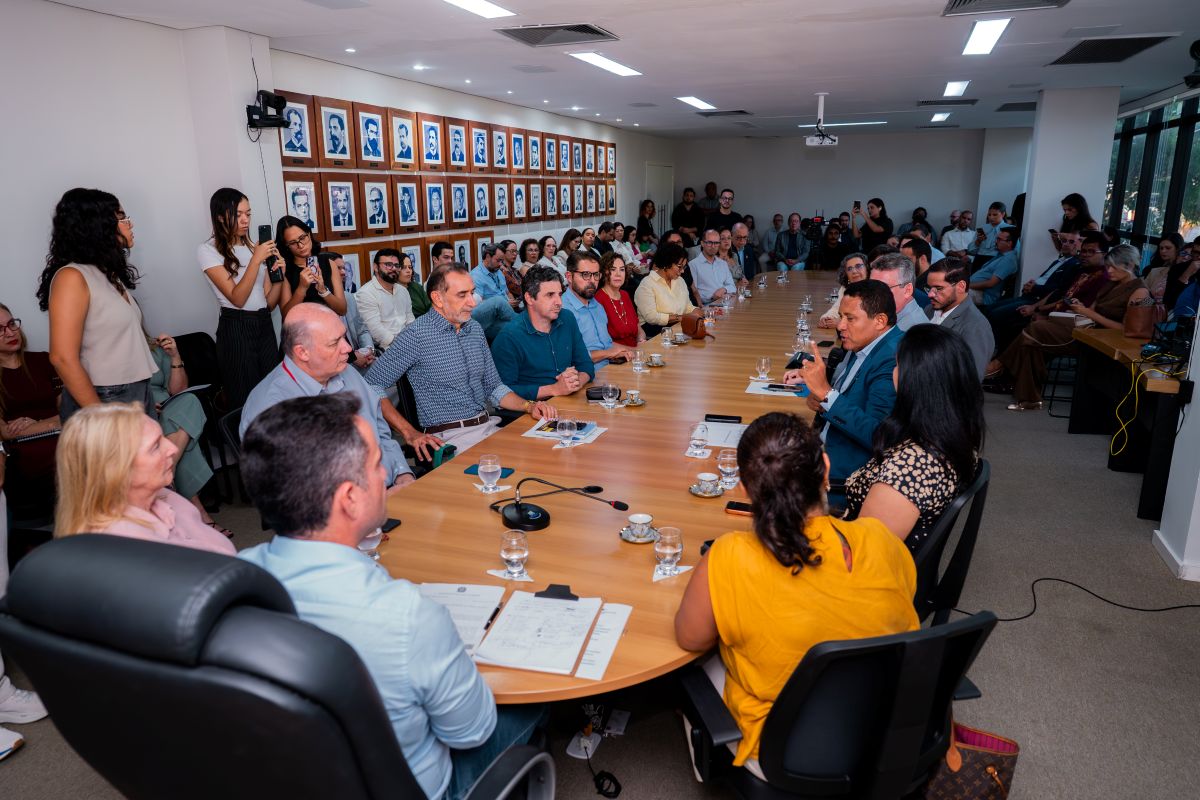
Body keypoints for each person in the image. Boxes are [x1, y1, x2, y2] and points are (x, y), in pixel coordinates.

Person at [238, 394, 546, 800]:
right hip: (417, 788)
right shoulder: (408, 616)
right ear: (349, 498)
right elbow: (470, 732)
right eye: (376, 464)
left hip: (291, 777)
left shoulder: (235, 578)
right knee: (536, 694)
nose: (387, 473)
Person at [673, 412, 919, 775]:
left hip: (782, 751)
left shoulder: (728, 556)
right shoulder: (881, 539)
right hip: (881, 730)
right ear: (826, 467)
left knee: (696, 664)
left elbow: (689, 638)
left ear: (744, 488)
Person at [365, 263, 557, 453]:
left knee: (549, 449)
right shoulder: (417, 335)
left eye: (472, 293)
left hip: (489, 427)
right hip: (451, 439)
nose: (472, 302)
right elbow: (371, 384)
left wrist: (529, 406)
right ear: (438, 298)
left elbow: (494, 387)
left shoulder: (474, 328)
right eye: (462, 295)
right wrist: (408, 432)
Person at [241, 304, 414, 489]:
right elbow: (293, 489)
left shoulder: (347, 372)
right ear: (302, 352)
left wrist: (402, 472)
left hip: (387, 487)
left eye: (344, 337)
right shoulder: (271, 407)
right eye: (334, 343)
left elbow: (380, 433)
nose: (348, 348)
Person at [843, 325, 984, 551]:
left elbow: (865, 553)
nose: (893, 372)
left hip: (856, 559)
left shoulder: (908, 470)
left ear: (915, 380)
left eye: (898, 365)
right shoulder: (952, 434)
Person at [35, 188, 157, 422]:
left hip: (136, 390)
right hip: (103, 396)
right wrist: (101, 415)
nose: (129, 224)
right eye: (121, 217)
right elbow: (62, 357)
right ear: (97, 225)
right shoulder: (71, 277)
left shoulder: (107, 274)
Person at [53, 402, 235, 554]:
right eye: (155, 446)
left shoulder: (169, 498)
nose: (172, 449)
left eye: (163, 438)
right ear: (116, 470)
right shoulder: (123, 546)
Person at [987, 244, 1149, 411]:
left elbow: (1126, 329)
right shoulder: (1111, 283)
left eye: (1113, 267)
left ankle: (1000, 365)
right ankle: (1029, 399)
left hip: (1104, 340)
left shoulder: (1140, 292)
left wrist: (1088, 313)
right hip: (1087, 329)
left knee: (1036, 330)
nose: (1109, 271)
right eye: (1107, 266)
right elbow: (1092, 311)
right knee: (1031, 343)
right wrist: (1081, 308)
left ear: (1130, 265)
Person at [784, 280, 901, 483]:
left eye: (850, 318)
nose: (840, 326)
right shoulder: (866, 343)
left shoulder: (892, 359)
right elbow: (852, 397)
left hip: (846, 475)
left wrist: (826, 394)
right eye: (841, 316)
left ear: (880, 321)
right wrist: (823, 402)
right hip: (826, 444)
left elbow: (878, 436)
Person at [197, 188, 284, 407]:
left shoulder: (255, 248)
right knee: (245, 400)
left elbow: (269, 303)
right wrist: (256, 260)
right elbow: (237, 298)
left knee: (273, 394)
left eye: (248, 213)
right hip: (236, 327)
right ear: (220, 217)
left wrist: (278, 278)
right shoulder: (208, 250)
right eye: (238, 215)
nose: (245, 220)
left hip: (263, 324)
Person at [145, 332, 226, 535]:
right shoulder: (111, 357)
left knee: (189, 401)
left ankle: (166, 470)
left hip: (168, 406)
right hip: (141, 412)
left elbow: (179, 389)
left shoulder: (154, 349)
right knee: (179, 433)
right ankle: (201, 514)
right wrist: (144, 405)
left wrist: (175, 356)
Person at [490, 266, 594, 401]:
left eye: (559, 294)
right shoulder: (509, 337)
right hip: (530, 409)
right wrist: (554, 389)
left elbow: (586, 365)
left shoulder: (567, 318)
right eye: (550, 295)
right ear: (529, 298)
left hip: (569, 401)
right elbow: (501, 392)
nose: (559, 302)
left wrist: (575, 382)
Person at [0, 306, 60, 519]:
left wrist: (38, 422)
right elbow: (5, 432)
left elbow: (70, 412)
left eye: (11, 324)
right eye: (0, 329)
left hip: (64, 438)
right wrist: (54, 422)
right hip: (24, 454)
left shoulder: (44, 360)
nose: (10, 332)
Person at [985, 230, 1082, 351]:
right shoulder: (1058, 261)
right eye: (1064, 241)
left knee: (996, 314)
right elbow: (1043, 280)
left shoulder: (1074, 264)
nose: (1066, 244)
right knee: (990, 309)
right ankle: (991, 347)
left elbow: (1058, 289)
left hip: (1038, 301)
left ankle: (992, 350)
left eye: (1071, 242)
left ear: (1079, 244)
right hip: (1030, 295)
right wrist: (1030, 285)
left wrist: (1034, 288)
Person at [923, 257, 995, 380]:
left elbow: (970, 380)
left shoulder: (976, 327)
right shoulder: (929, 309)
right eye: (929, 288)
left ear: (961, 286)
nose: (930, 294)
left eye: (938, 288)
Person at [563, 252, 634, 367]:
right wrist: (608, 354)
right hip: (585, 375)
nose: (592, 281)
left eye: (596, 275)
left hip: (611, 369)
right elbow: (571, 357)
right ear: (569, 277)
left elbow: (608, 344)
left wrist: (635, 351)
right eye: (586, 274)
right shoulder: (562, 310)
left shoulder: (597, 305)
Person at [276, 216, 347, 317]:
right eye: (293, 243)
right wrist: (301, 289)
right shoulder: (285, 270)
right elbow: (286, 315)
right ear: (286, 246)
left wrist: (323, 291)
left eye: (302, 238)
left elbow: (343, 310)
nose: (300, 245)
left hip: (329, 324)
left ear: (309, 234)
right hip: (301, 326)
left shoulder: (329, 263)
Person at [634, 243, 699, 338]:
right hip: (654, 333)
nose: (682, 271)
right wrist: (680, 318)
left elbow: (688, 307)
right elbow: (651, 317)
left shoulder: (680, 281)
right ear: (666, 263)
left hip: (678, 328)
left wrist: (699, 312)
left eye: (684, 267)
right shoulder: (647, 284)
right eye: (679, 266)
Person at [355, 249, 415, 351]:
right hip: (385, 349)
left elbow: (410, 320)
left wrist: (414, 339)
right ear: (376, 267)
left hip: (409, 344)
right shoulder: (366, 293)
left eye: (396, 265)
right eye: (388, 265)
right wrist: (401, 344)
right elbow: (375, 330)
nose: (393, 268)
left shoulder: (403, 291)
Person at [595, 253, 645, 349]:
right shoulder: (598, 299)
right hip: (616, 355)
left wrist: (641, 340)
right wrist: (634, 350)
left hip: (636, 351)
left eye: (622, 269)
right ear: (604, 272)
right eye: (613, 269)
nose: (618, 274)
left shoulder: (625, 295)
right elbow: (604, 343)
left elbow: (638, 328)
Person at [870, 253, 929, 333]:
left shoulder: (914, 332)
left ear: (908, 290)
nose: (874, 294)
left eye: (883, 288)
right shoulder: (891, 317)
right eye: (871, 286)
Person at [968, 226, 1019, 308]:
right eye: (996, 239)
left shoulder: (1008, 259)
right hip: (975, 289)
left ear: (1009, 243)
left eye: (999, 239)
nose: (996, 241)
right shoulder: (1001, 255)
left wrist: (967, 286)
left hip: (983, 295)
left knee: (953, 293)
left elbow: (991, 283)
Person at [819, 253, 869, 328]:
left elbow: (870, 319)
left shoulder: (876, 288)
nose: (854, 271)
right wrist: (826, 318)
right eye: (849, 269)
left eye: (858, 266)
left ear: (867, 268)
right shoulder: (845, 288)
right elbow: (836, 308)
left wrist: (843, 322)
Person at [690, 230, 736, 304]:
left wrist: (724, 289)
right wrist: (712, 297)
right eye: (709, 242)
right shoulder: (693, 265)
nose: (713, 246)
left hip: (725, 302)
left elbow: (732, 286)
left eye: (716, 243)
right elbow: (693, 292)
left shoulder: (723, 264)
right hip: (707, 305)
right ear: (702, 243)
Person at [897, 235, 933, 309]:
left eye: (908, 260)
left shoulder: (932, 284)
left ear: (923, 259)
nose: (903, 265)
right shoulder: (912, 282)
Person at [968, 202, 1007, 267]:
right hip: (979, 259)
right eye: (989, 215)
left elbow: (1015, 250)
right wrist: (978, 241)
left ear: (1003, 214)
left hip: (998, 259)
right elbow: (971, 250)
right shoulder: (982, 228)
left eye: (995, 215)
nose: (991, 217)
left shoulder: (1009, 228)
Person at [400, 250, 432, 319]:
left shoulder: (416, 287)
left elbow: (430, 308)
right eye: (404, 267)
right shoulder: (393, 291)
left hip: (427, 321)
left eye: (410, 267)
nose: (408, 271)